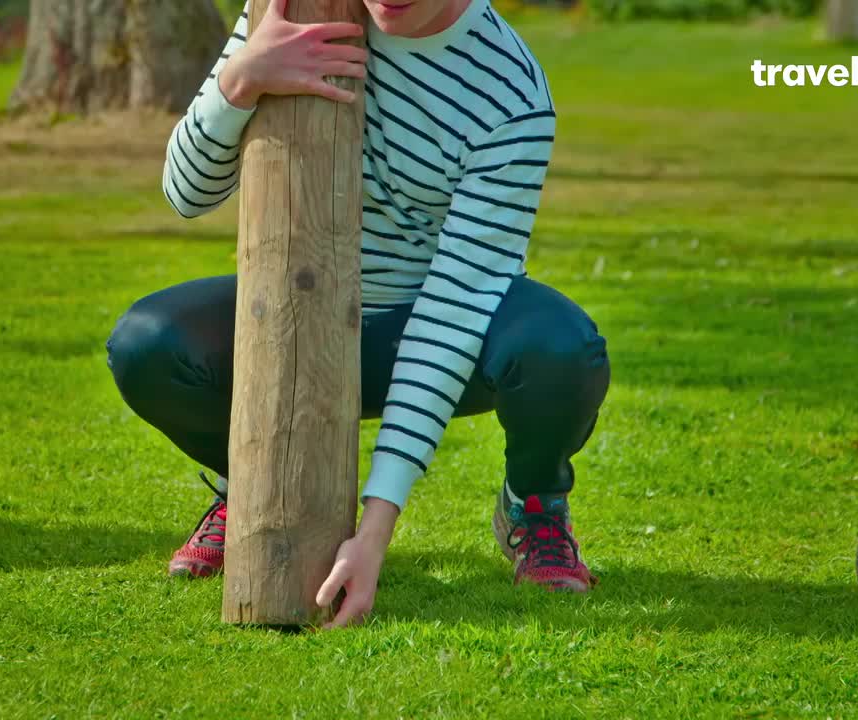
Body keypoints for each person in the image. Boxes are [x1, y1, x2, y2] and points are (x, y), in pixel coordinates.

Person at [106, 0, 610, 628]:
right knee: (146, 344)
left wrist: (374, 532)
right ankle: (249, 488)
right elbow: (186, 193)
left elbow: (454, 311)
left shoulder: (510, 93)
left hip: (421, 322)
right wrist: (243, 77)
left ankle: (531, 504)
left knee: (561, 348)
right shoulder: (288, 9)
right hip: (292, 312)